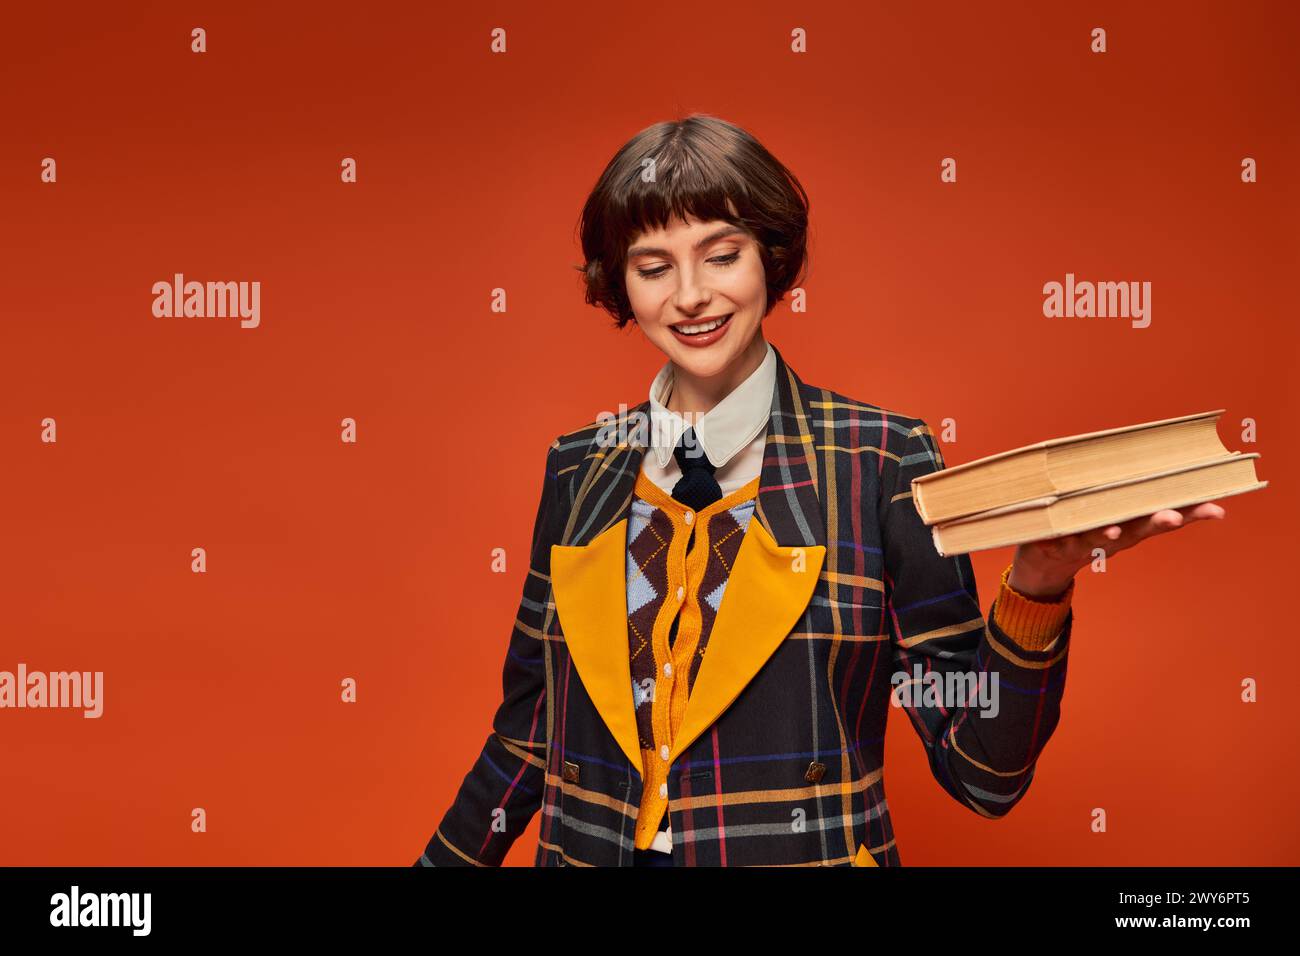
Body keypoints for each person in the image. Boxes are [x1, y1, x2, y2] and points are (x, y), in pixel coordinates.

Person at [414, 114, 1225, 867]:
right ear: (620, 285)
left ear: (769, 258)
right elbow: (526, 739)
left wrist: (1038, 587)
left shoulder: (883, 460)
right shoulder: (578, 466)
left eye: (721, 255)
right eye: (653, 267)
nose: (690, 296)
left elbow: (983, 774)